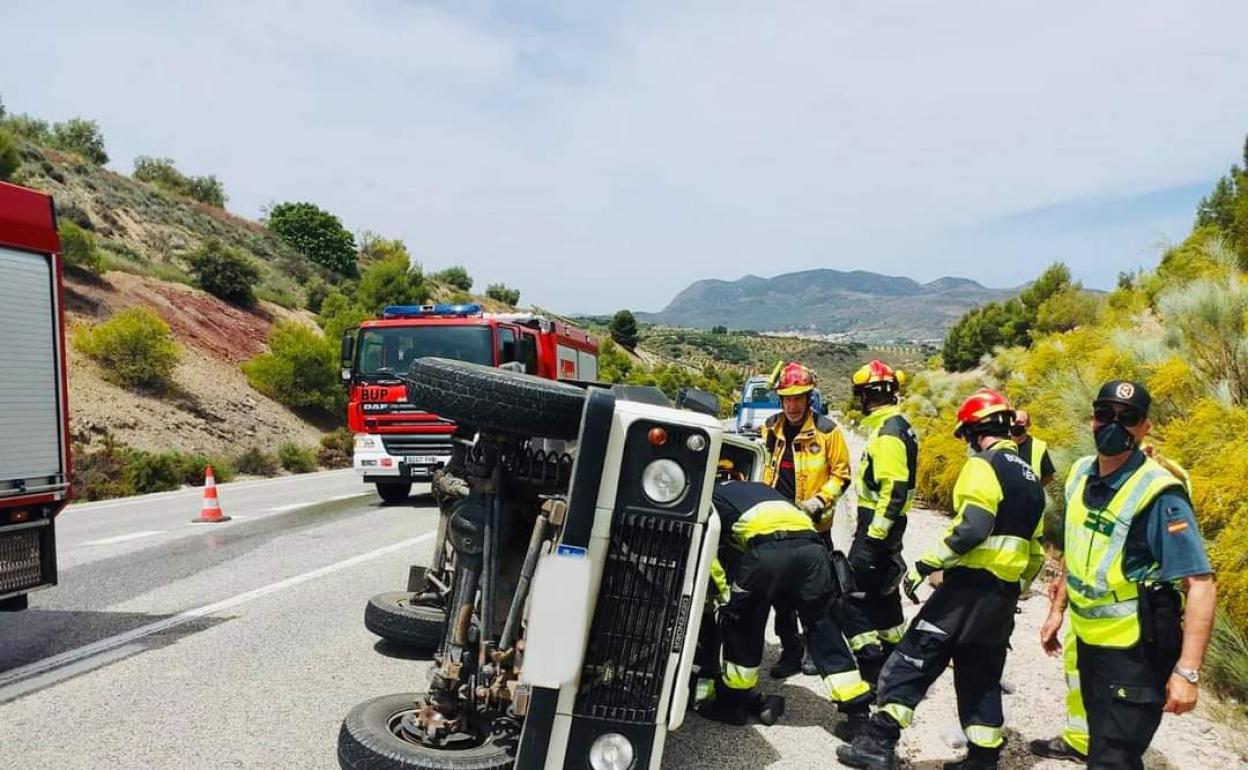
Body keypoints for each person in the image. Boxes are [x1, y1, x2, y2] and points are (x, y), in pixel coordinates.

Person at [837, 389, 1046, 770]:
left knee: (912, 657)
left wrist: (925, 564)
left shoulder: (984, 466)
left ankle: (877, 742)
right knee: (981, 672)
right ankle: (983, 757)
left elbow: (972, 528)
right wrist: (1015, 589)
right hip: (1001, 597)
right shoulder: (1031, 478)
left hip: (967, 589)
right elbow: (1036, 553)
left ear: (974, 431)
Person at [1036, 381, 1215, 770]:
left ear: (1145, 427)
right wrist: (1057, 610)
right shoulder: (1082, 473)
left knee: (1112, 759)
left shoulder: (1159, 492)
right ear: (1092, 420)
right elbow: (1077, 545)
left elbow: (1200, 583)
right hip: (1089, 642)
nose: (1114, 425)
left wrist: (1187, 672)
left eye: (1128, 418)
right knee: (1102, 747)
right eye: (1105, 415)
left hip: (1136, 652)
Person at [697, 479, 871, 726]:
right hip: (813, 551)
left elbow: (709, 553)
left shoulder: (709, 498)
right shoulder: (762, 489)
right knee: (824, 628)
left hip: (766, 554)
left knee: (744, 625)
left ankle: (732, 704)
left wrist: (724, 595)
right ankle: (858, 714)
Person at [759, 361, 852, 678]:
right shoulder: (770, 427)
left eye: (799, 398)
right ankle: (791, 650)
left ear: (809, 398)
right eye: (787, 398)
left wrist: (818, 501)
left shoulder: (828, 432)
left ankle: (815, 649)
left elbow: (842, 476)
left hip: (814, 528)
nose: (793, 404)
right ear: (780, 400)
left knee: (815, 595)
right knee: (780, 598)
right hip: (778, 528)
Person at [842, 359, 918, 685]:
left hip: (876, 527)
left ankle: (871, 671)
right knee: (885, 594)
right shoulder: (899, 426)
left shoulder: (888, 434)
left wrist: (873, 539)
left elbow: (894, 490)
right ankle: (895, 660)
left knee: (852, 597)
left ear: (866, 396)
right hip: (889, 528)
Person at [1011, 409, 1055, 485]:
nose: (1016, 425)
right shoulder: (1000, 443)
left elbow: (1048, 476)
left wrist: (1036, 490)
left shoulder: (1038, 446)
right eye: (1013, 422)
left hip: (1030, 495)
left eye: (1020, 422)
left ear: (1028, 424)